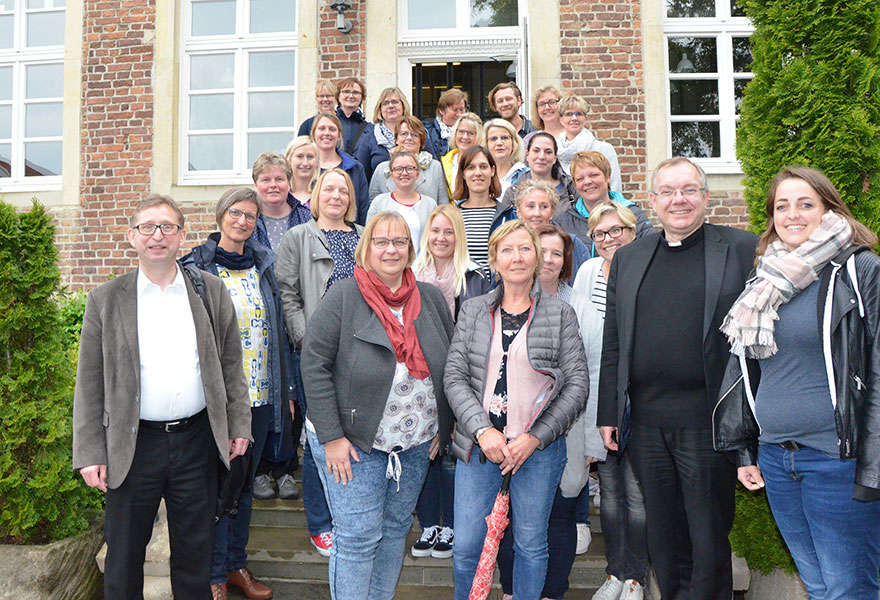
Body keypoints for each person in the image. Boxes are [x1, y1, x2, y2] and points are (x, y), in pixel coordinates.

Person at [72, 195, 251, 599]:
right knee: (122, 558)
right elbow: (90, 382)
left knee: (195, 558)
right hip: (132, 446)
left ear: (182, 236)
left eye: (167, 227)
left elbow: (230, 366)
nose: (157, 236)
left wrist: (239, 424)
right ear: (131, 237)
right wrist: (89, 451)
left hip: (196, 441)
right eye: (147, 227)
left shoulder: (209, 291)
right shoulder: (106, 299)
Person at [716, 166, 880, 599]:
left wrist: (874, 466)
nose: (793, 214)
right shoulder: (764, 283)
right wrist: (746, 450)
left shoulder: (859, 271)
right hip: (777, 461)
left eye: (806, 204)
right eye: (782, 206)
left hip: (838, 460)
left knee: (850, 589)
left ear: (829, 208)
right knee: (818, 586)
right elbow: (745, 372)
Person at [597, 157, 757, 600]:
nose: (678, 200)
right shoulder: (629, 257)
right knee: (663, 539)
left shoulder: (743, 249)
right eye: (667, 191)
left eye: (688, 190)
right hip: (646, 424)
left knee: (707, 539)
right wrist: (609, 411)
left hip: (709, 422)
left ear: (706, 198)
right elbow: (614, 339)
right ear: (652, 202)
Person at [301, 212, 454, 600]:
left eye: (399, 241)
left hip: (416, 446)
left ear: (410, 249)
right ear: (366, 248)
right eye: (381, 241)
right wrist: (332, 437)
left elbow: (451, 365)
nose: (390, 249)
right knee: (356, 538)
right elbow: (313, 363)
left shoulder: (431, 298)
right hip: (352, 444)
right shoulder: (344, 295)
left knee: (395, 529)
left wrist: (443, 427)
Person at [445, 219, 588, 600]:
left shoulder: (560, 315)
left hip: (536, 451)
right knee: (467, 548)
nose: (517, 257)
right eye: (507, 250)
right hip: (480, 448)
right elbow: (454, 376)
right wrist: (481, 429)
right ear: (494, 259)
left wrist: (536, 438)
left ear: (538, 257)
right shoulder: (473, 310)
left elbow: (577, 386)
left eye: (525, 249)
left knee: (529, 543)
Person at [181, 188, 293, 600]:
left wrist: (286, 391)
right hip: (216, 398)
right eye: (235, 213)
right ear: (220, 215)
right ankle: (211, 574)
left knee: (244, 486)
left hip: (260, 395)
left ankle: (234, 565)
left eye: (250, 215)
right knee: (216, 487)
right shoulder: (195, 268)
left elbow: (275, 331)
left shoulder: (264, 265)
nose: (242, 221)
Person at [497, 223, 601, 600]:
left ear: (565, 260)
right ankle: (512, 590)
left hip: (569, 431)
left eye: (558, 253)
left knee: (559, 516)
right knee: (513, 520)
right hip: (514, 433)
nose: (549, 259)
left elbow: (593, 375)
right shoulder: (504, 302)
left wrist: (592, 438)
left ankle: (552, 592)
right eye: (542, 251)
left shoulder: (582, 309)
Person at [276, 168, 364, 558]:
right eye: (328, 189)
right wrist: (308, 340)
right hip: (316, 354)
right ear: (315, 196)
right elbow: (287, 295)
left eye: (342, 190)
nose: (336, 196)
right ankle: (321, 524)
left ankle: (349, 515)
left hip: (361, 354)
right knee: (318, 438)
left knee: (354, 434)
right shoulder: (298, 237)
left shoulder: (363, 236)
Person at [573, 202, 648, 600]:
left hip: (637, 398)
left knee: (637, 495)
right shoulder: (586, 272)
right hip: (598, 397)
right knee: (613, 493)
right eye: (601, 234)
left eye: (617, 230)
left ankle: (636, 575)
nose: (609, 239)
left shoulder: (645, 267)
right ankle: (614, 572)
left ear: (633, 231)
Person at [410, 205, 491, 559]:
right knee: (423, 449)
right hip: (418, 375)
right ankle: (429, 523)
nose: (441, 238)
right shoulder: (410, 274)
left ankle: (453, 524)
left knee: (450, 453)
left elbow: (480, 335)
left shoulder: (473, 278)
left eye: (449, 231)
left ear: (459, 236)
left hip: (459, 375)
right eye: (436, 231)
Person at [556, 150, 655, 254]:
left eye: (593, 175)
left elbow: (652, 252)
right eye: (580, 179)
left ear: (607, 177)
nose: (587, 182)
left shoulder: (633, 214)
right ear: (575, 185)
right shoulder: (565, 223)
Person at [452, 145, 516, 274]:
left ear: (492, 171)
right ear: (463, 174)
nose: (478, 173)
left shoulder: (508, 215)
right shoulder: (453, 216)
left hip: (500, 290)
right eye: (471, 167)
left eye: (483, 167)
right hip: (463, 290)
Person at [512, 179, 590, 282]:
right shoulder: (509, 244)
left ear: (552, 212)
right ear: (519, 212)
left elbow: (584, 285)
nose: (537, 213)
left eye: (544, 207)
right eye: (530, 206)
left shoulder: (571, 244)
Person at [369, 115, 449, 205]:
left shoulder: (435, 167)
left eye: (414, 134)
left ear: (421, 141)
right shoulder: (382, 169)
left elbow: (443, 204)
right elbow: (373, 204)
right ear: (396, 139)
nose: (409, 138)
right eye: (404, 134)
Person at [367, 149, 437, 248]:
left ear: (417, 174)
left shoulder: (430, 205)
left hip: (421, 263)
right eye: (398, 169)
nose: (404, 173)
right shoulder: (379, 203)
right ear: (391, 175)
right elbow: (368, 239)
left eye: (409, 168)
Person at [311, 110, 370, 224]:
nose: (327, 133)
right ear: (313, 134)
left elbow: (363, 210)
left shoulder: (355, 168)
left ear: (339, 136)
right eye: (322, 128)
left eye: (332, 129)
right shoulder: (305, 168)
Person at [501, 131, 578, 216]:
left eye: (548, 152)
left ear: (555, 158)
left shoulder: (571, 187)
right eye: (536, 151)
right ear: (527, 155)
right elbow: (507, 226)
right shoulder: (513, 193)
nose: (541, 156)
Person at [554, 94, 621, 190]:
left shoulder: (604, 149)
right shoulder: (554, 151)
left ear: (586, 118)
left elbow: (615, 186)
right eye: (569, 114)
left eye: (579, 114)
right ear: (561, 119)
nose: (574, 118)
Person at [250, 152, 311, 252]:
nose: (273, 185)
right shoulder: (247, 219)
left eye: (279, 179)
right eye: (266, 180)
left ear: (288, 184)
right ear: (255, 185)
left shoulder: (306, 217)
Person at [299, 77, 370, 155]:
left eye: (329, 96)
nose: (325, 99)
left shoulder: (364, 126)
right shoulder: (308, 124)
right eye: (321, 96)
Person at [355, 86, 411, 180]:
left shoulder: (416, 133)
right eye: (385, 103)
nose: (390, 106)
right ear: (380, 109)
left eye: (395, 102)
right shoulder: (369, 137)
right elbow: (361, 175)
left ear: (403, 105)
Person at [441, 112, 483, 197]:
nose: (465, 137)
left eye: (471, 133)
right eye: (461, 131)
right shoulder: (443, 163)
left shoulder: (485, 163)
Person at [484, 118, 527, 197]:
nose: (499, 143)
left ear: (514, 143)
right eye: (493, 139)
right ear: (486, 145)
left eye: (504, 138)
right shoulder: (480, 175)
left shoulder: (526, 175)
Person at [424, 88, 468, 161]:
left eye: (461, 109)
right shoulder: (427, 131)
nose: (459, 114)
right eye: (455, 110)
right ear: (441, 110)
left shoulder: (470, 132)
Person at [285, 136, 320, 210]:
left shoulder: (322, 194)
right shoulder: (281, 194)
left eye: (310, 157)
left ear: (317, 162)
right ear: (289, 161)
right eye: (300, 156)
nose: (305, 163)